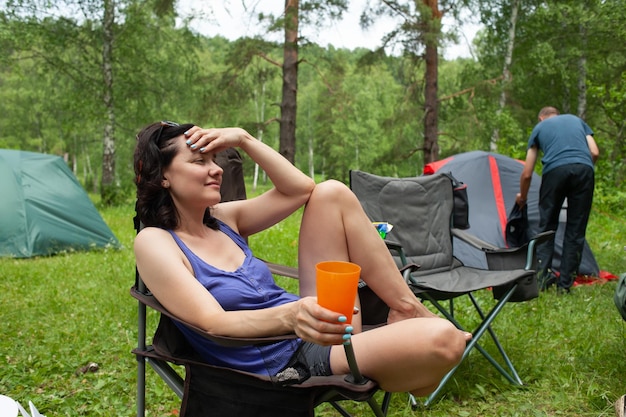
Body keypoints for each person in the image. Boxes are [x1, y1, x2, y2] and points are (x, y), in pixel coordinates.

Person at [133, 121, 470, 396]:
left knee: (331, 192)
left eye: (214, 160)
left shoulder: (223, 219)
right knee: (445, 340)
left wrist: (245, 139)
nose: (216, 170)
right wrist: (292, 316)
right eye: (198, 161)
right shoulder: (157, 242)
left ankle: (406, 309)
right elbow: (212, 322)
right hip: (283, 359)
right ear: (163, 176)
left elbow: (301, 188)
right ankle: (406, 367)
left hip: (319, 326)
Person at [515, 107, 599, 294]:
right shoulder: (577, 121)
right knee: (575, 229)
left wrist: (523, 197)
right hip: (584, 169)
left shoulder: (540, 128)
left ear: (541, 118)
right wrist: (579, 167)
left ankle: (542, 280)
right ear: (558, 115)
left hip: (555, 172)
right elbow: (594, 152)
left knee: (547, 227)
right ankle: (565, 286)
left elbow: (527, 172)